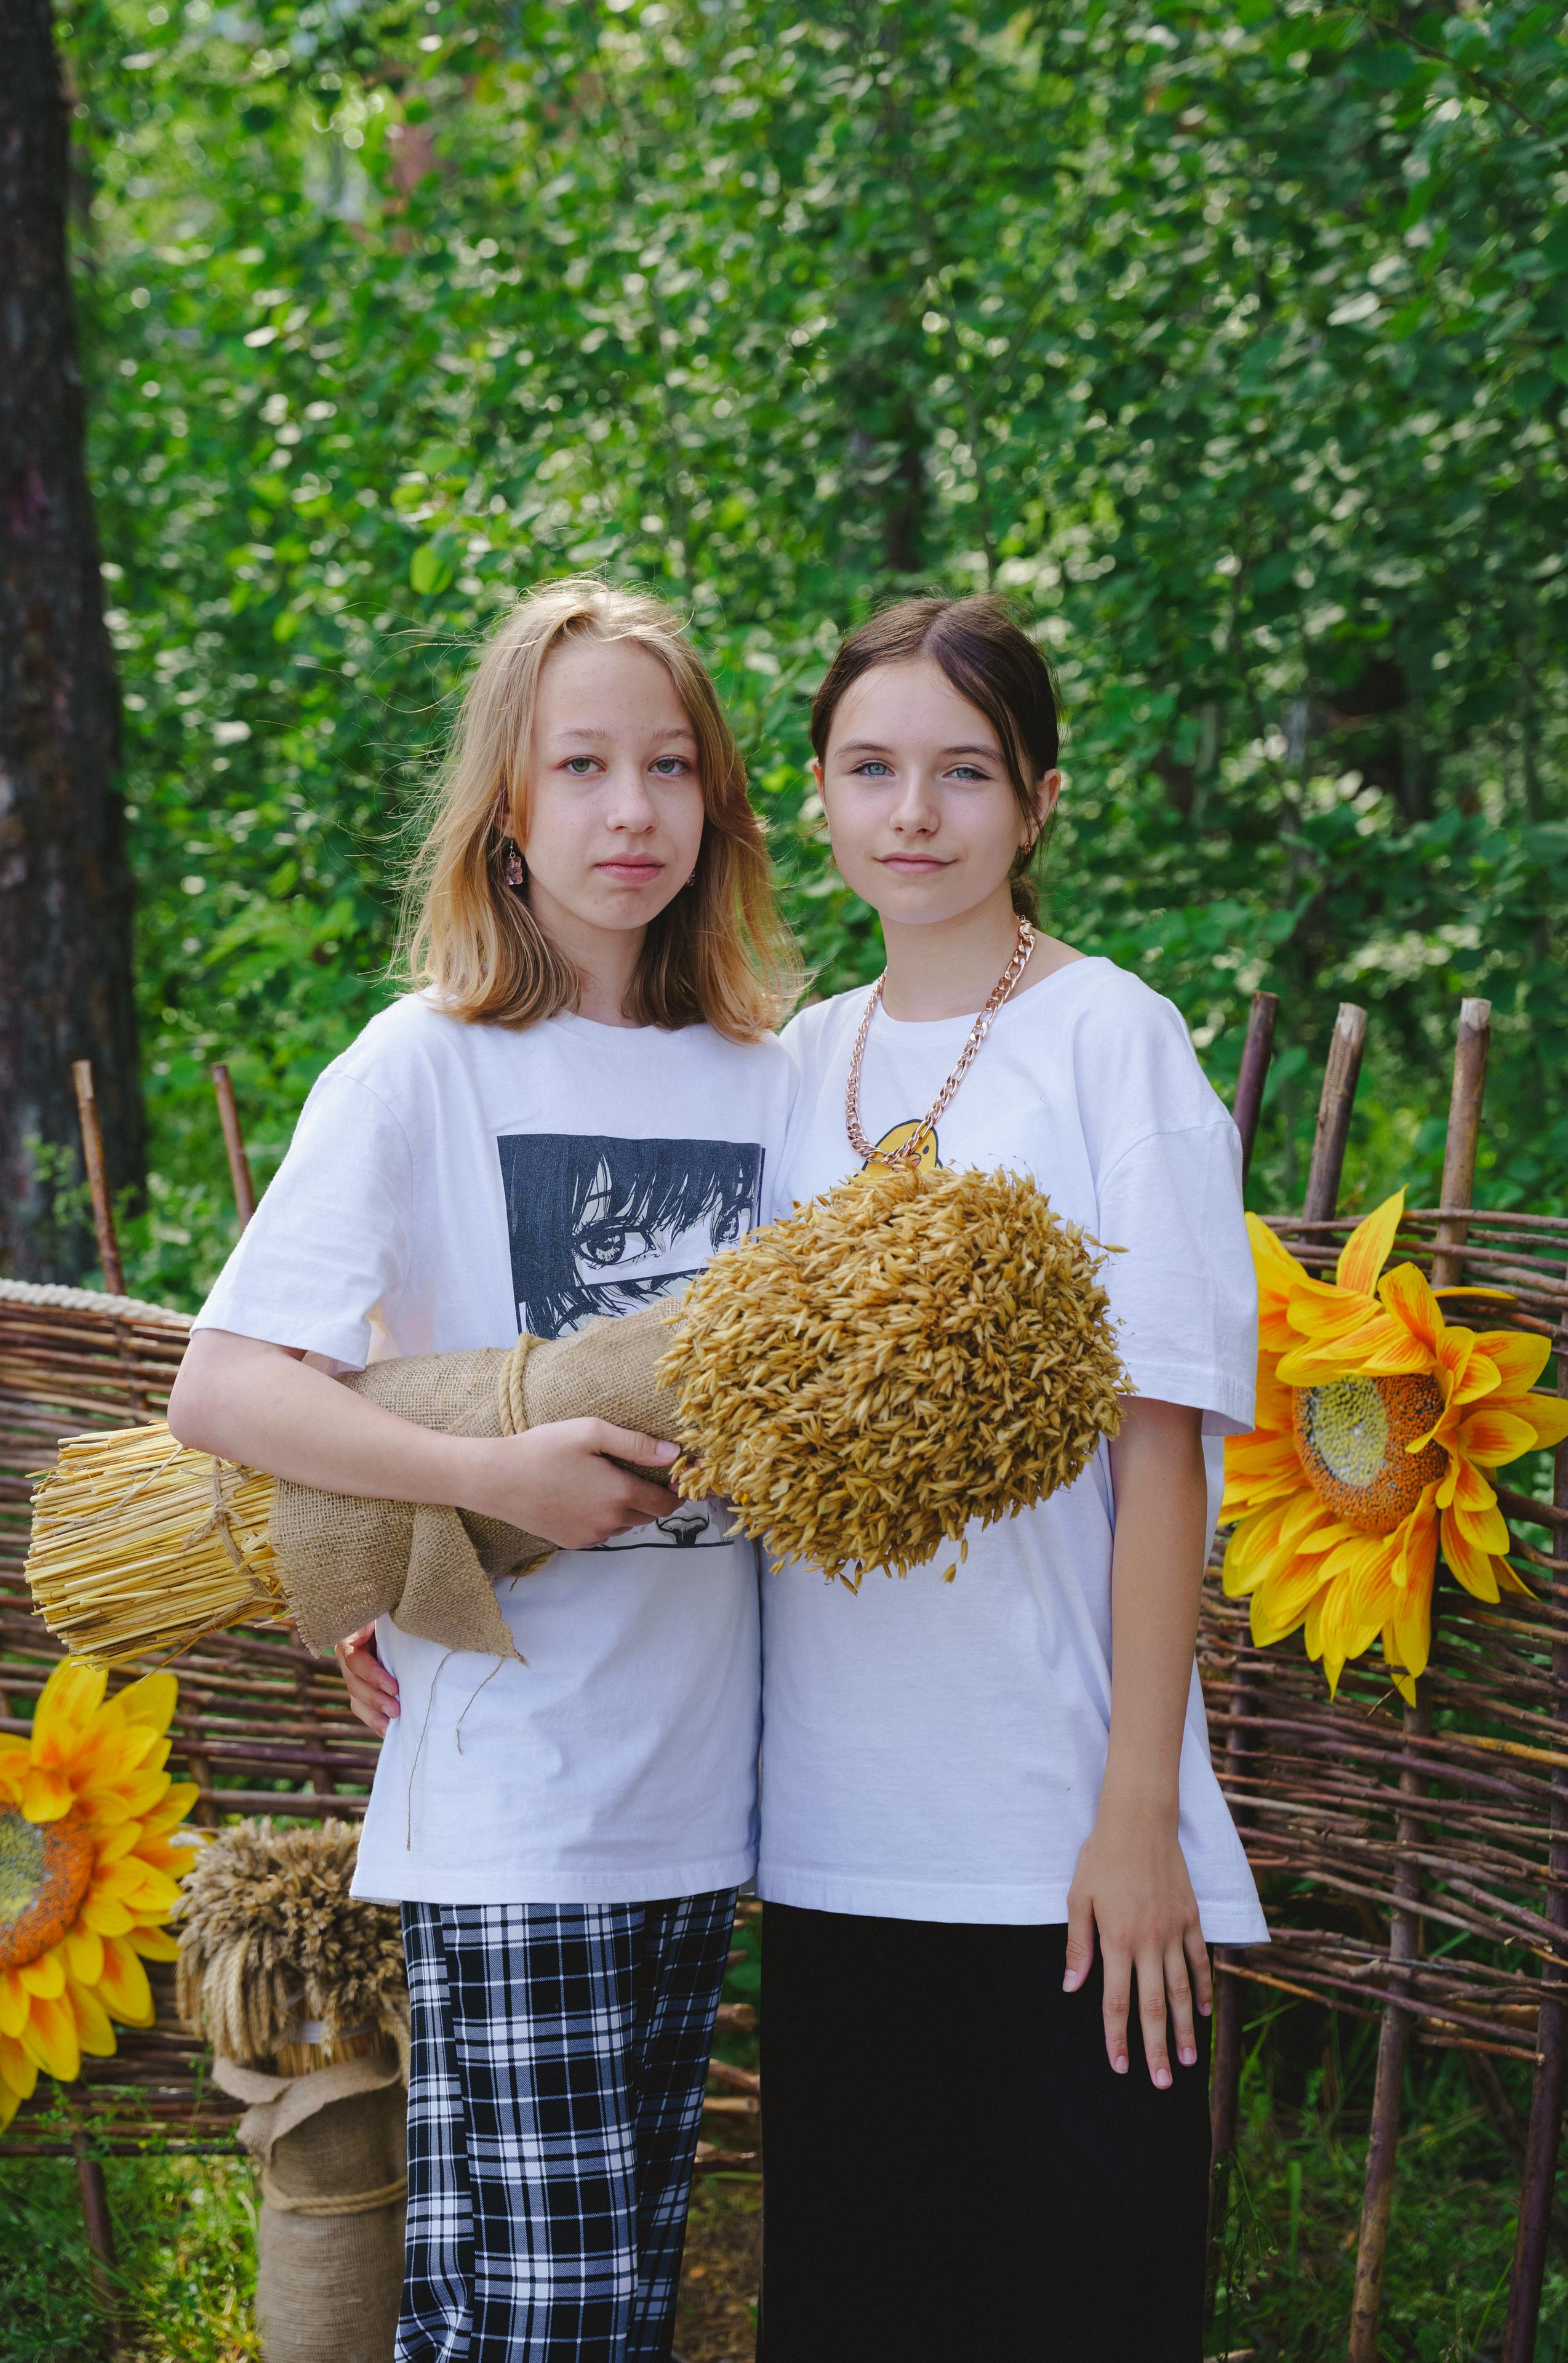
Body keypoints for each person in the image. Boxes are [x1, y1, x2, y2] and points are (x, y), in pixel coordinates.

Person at [167, 578, 800, 2363]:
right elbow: (225, 1387)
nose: (631, 811)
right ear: (503, 809)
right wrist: (498, 1479)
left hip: (711, 1793)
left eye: (670, 767)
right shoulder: (423, 1069)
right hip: (521, 1794)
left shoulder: (777, 1082)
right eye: (580, 764)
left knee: (563, 2312)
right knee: (547, 2327)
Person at [753, 595, 1266, 2363]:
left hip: (1062, 1830)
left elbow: (1163, 1439)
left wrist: (1136, 1814)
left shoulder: (1114, 1038)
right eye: (871, 768)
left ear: (1037, 801)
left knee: (1088, 2302)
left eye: (963, 772)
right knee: (866, 2307)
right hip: (832, 1820)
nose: (915, 812)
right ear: (814, 796)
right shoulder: (793, 1060)